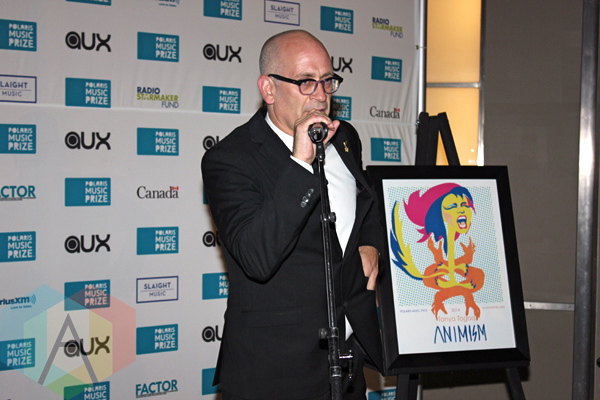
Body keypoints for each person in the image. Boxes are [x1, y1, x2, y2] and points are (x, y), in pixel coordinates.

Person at [201, 29, 386, 400]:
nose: (321, 95)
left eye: (327, 81)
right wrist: (300, 163)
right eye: (306, 82)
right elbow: (256, 257)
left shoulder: (344, 137)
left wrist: (370, 245)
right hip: (274, 371)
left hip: (348, 363)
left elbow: (366, 202)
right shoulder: (230, 159)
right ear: (268, 89)